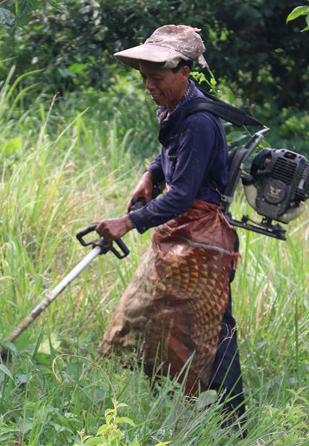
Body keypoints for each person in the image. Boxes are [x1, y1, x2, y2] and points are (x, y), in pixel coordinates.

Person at [95, 24, 246, 427]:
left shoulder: (198, 121)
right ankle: (178, 406)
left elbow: (180, 195)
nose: (149, 85)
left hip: (203, 236)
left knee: (214, 327)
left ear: (184, 72)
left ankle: (235, 423)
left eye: (157, 77)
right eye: (145, 77)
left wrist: (127, 222)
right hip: (181, 228)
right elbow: (168, 154)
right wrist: (150, 173)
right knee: (156, 315)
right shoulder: (173, 106)